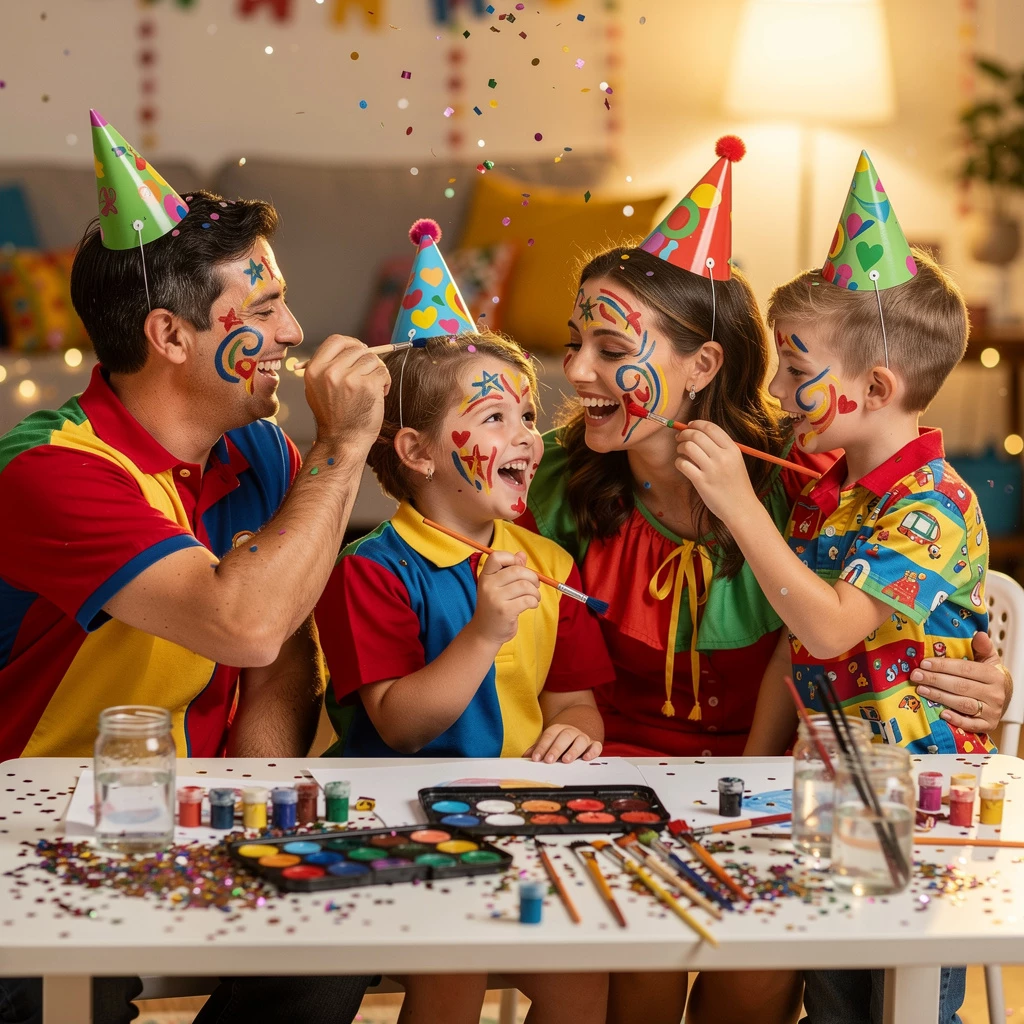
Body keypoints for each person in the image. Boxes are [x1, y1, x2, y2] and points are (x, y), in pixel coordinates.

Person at [522, 140, 1012, 1024]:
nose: (578, 372)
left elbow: (880, 615)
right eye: (575, 344)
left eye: (609, 346)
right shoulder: (561, 483)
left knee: (821, 983)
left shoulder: (809, 484)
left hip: (838, 796)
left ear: (703, 367)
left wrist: (988, 677)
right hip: (705, 785)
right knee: (654, 966)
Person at [0, 113, 388, 1024]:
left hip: (189, 819)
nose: (294, 331)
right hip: (31, 834)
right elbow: (242, 621)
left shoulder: (258, 453)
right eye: (259, 312)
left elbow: (280, 646)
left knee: (336, 932)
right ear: (171, 337)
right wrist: (346, 446)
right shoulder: (50, 471)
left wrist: (252, 823)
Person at [676, 151, 984, 1024]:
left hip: (914, 803)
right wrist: (752, 772)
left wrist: (741, 509)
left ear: (877, 388)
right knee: (831, 996)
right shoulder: (835, 495)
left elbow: (838, 628)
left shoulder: (933, 506)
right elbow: (794, 640)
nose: (777, 390)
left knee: (895, 1005)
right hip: (834, 789)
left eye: (793, 366)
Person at [314, 223, 611, 1024]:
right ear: (415, 449)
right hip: (405, 817)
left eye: (524, 414)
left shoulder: (550, 563)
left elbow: (573, 699)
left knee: (583, 982)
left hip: (515, 812)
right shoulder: (370, 570)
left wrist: (576, 729)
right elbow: (403, 727)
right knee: (455, 975)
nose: (524, 435)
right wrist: (483, 633)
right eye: (493, 418)